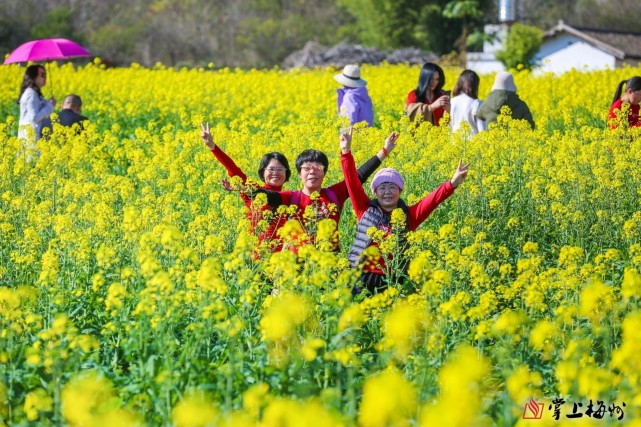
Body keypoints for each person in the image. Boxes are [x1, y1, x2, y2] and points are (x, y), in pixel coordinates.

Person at [340, 127, 469, 297]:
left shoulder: (410, 216)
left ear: (400, 191)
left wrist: (452, 183)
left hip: (393, 280)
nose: (387, 191)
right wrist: (346, 152)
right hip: (361, 277)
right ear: (375, 192)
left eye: (392, 187)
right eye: (382, 187)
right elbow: (352, 182)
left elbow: (432, 201)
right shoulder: (364, 209)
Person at [254, 135, 398, 252]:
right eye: (307, 168)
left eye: (317, 168)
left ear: (324, 173)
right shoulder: (290, 197)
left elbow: (358, 176)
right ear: (299, 173)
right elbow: (265, 196)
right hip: (296, 266)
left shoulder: (334, 194)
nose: (312, 172)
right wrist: (239, 187)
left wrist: (384, 151)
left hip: (329, 264)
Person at [200, 122, 291, 253]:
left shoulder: (291, 197)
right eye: (271, 169)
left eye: (280, 169)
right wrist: (213, 147)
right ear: (263, 172)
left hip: (280, 263)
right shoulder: (251, 190)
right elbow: (233, 170)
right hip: (252, 259)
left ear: (286, 173)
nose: (275, 173)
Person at [18, 64, 56, 142]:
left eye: (45, 74)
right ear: (33, 76)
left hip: (32, 136)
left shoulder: (34, 93)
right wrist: (50, 105)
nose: (45, 77)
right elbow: (34, 118)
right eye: (42, 75)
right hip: (30, 138)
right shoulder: (31, 94)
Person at [450, 69, 486, 136]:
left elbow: (449, 127)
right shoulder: (477, 104)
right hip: (474, 144)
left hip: (454, 144)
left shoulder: (451, 102)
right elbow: (482, 131)